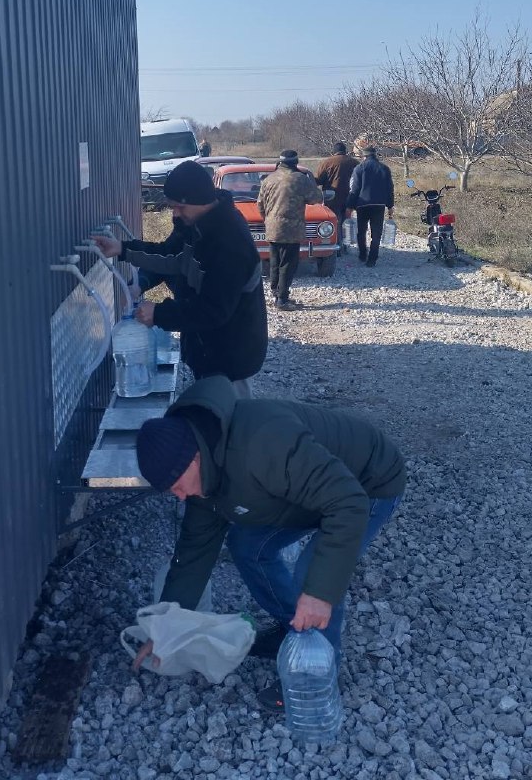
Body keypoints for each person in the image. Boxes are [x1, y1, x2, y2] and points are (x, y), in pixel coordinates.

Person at [133, 374, 407, 711]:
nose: (178, 496)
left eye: (176, 485)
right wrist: (165, 629)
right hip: (310, 492)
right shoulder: (203, 474)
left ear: (193, 459)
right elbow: (194, 552)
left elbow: (347, 503)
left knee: (313, 574)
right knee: (247, 546)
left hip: (367, 485)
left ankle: (318, 676)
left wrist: (320, 593)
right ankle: (295, 626)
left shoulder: (263, 443)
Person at [94, 160, 267, 398]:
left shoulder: (229, 242)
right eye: (172, 207)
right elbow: (170, 255)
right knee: (206, 408)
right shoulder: (194, 224)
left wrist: (159, 314)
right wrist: (122, 249)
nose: (175, 213)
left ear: (198, 200)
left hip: (231, 355)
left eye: (179, 207)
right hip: (207, 347)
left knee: (228, 416)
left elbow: (213, 310)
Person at [257, 149, 323, 312]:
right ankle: (282, 299)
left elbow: (260, 205)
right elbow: (316, 198)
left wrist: (268, 219)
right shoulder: (300, 179)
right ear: (295, 162)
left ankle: (276, 293)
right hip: (291, 229)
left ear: (280, 162)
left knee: (275, 262)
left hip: (272, 227)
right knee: (288, 264)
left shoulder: (269, 179)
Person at [345, 146, 395, 268]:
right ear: (375, 155)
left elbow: (354, 189)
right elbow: (389, 188)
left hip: (362, 204)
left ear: (364, 156)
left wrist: (349, 206)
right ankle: (372, 259)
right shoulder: (384, 168)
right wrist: (390, 205)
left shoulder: (359, 168)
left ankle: (362, 254)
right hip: (379, 204)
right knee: (376, 233)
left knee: (361, 231)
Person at [314, 142, 359, 252]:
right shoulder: (354, 162)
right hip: (350, 196)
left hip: (332, 197)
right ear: (345, 151)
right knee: (346, 220)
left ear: (333, 152)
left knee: (334, 221)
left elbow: (319, 180)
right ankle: (345, 245)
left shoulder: (326, 162)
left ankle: (336, 246)